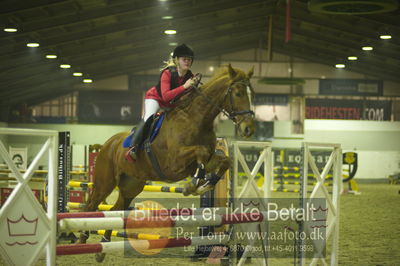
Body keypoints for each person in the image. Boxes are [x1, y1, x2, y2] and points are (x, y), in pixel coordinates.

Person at [126, 44, 200, 161]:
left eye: (189, 59)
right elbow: (165, 97)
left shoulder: (190, 76)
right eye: (184, 59)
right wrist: (185, 87)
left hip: (172, 104)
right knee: (148, 118)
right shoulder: (168, 73)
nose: (187, 61)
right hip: (156, 99)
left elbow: (185, 97)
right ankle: (133, 147)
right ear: (177, 60)